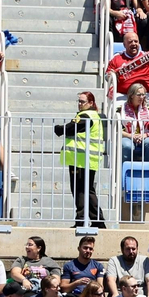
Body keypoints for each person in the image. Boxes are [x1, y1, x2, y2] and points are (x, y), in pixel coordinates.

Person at [55, 91, 106, 229]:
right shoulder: (94, 115)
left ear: (90, 103)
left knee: (80, 191)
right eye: (78, 101)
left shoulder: (85, 116)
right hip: (86, 159)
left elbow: (70, 128)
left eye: (82, 102)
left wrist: (58, 129)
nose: (79, 104)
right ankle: (96, 221)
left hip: (81, 160)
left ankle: (83, 220)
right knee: (86, 190)